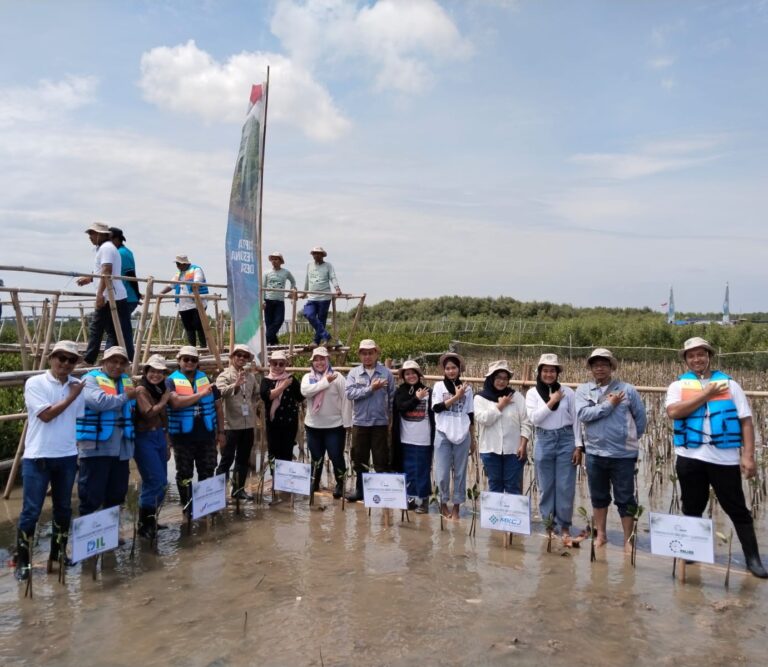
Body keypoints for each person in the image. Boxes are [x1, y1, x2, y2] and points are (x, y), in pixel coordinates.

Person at [666, 337, 767, 578]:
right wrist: (706, 394)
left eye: (701, 354)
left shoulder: (730, 385)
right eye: (691, 355)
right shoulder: (678, 386)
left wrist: (749, 456)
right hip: (689, 458)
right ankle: (691, 552)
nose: (696, 359)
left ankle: (753, 558)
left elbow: (746, 420)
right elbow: (674, 412)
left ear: (709, 356)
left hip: (724, 459)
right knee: (692, 506)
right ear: (685, 360)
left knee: (737, 509)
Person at [14, 341, 85, 581]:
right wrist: (72, 396)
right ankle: (23, 561)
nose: (65, 363)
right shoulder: (35, 383)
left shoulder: (77, 386)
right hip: (38, 456)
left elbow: (76, 418)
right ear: (51, 358)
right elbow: (46, 415)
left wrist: (76, 394)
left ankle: (58, 554)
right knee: (31, 511)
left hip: (66, 455)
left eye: (71, 360)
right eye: (61, 358)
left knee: (64, 509)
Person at [575, 348, 646, 552]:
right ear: (590, 368)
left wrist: (628, 438)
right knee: (598, 496)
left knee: (625, 498)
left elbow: (641, 420)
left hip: (623, 455)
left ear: (611, 367)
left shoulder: (627, 390)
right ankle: (602, 535)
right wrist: (609, 405)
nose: (600, 368)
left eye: (604, 364)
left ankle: (628, 541)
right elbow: (583, 415)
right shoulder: (583, 390)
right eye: (595, 365)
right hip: (595, 453)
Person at [525, 353, 581, 546]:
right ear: (539, 372)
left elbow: (576, 421)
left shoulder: (569, 393)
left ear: (558, 373)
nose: (549, 374)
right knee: (545, 486)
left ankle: (564, 526)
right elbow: (534, 419)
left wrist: (578, 446)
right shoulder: (532, 393)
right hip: (544, 439)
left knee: (565, 486)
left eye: (552, 371)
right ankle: (549, 525)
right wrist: (552, 401)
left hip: (566, 439)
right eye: (545, 370)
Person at [76, 346, 137, 516]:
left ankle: (111, 536)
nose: (117, 366)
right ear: (103, 362)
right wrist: (126, 397)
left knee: (117, 495)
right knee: (91, 497)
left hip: (121, 451)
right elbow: (99, 402)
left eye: (121, 363)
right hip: (95, 450)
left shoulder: (126, 381)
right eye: (113, 361)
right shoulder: (89, 380)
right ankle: (89, 538)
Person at [166, 346, 224, 515]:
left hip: (206, 435)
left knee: (207, 470)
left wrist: (221, 432)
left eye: (193, 359)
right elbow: (176, 403)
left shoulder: (205, 379)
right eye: (186, 359)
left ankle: (207, 506)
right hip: (182, 437)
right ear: (179, 361)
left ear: (197, 362)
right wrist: (200, 395)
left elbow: (218, 408)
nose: (190, 362)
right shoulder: (170, 381)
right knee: (184, 474)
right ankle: (188, 508)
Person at [344, 339, 396, 502]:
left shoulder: (386, 373)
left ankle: (382, 492)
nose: (367, 356)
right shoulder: (353, 373)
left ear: (376, 354)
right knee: (359, 458)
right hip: (360, 423)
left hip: (380, 423)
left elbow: (392, 399)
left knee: (381, 459)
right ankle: (360, 490)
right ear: (360, 355)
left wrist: (392, 422)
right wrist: (370, 389)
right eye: (364, 353)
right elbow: (350, 394)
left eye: (370, 353)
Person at [77, 222, 134, 364]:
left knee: (97, 327)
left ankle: (89, 359)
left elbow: (106, 271)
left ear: (101, 235)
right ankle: (118, 358)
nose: (90, 236)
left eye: (92, 233)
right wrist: (90, 279)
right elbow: (102, 271)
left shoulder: (107, 248)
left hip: (110, 295)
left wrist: (100, 295)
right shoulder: (105, 248)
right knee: (115, 331)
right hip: (115, 294)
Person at [475, 360, 531, 497]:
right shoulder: (480, 398)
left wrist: (523, 445)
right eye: (498, 377)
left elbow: (526, 422)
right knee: (495, 485)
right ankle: (496, 518)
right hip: (490, 449)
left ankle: (513, 518)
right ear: (491, 378)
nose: (502, 381)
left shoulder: (516, 397)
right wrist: (500, 406)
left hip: (514, 450)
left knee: (513, 486)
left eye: (505, 378)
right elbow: (483, 419)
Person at [301, 346, 350, 498]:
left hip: (335, 425)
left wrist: (347, 423)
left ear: (328, 360)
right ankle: (314, 483)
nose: (319, 362)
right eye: (316, 359)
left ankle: (340, 484)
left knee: (336, 456)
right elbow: (306, 392)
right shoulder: (307, 378)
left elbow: (346, 401)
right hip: (313, 425)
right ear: (312, 362)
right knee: (316, 457)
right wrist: (324, 382)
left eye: (322, 359)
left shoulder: (338, 377)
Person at [431, 352, 475, 520]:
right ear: (444, 370)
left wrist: (473, 438)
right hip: (442, 432)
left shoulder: (468, 388)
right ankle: (442, 503)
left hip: (463, 434)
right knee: (441, 473)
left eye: (454, 368)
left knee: (460, 473)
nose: (451, 371)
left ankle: (457, 506)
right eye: (448, 368)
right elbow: (436, 408)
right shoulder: (438, 387)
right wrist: (456, 397)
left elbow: (470, 414)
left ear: (459, 369)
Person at [133, 354, 172, 539]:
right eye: (152, 371)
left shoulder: (160, 388)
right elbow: (148, 413)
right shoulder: (142, 390)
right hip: (144, 437)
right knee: (153, 481)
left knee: (163, 482)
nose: (156, 375)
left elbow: (164, 418)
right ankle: (143, 525)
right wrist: (165, 400)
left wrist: (167, 442)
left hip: (159, 435)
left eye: (160, 372)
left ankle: (151, 521)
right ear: (146, 371)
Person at [215, 344, 259, 501]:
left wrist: (252, 405)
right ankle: (218, 493)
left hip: (248, 425)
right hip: (230, 425)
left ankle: (238, 489)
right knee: (226, 460)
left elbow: (256, 394)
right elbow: (219, 393)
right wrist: (235, 385)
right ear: (232, 357)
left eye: (244, 356)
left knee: (243, 459)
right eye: (238, 355)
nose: (241, 358)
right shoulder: (224, 375)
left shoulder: (251, 376)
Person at [392, 360, 434, 513]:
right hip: (405, 438)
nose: (411, 376)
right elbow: (401, 408)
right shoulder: (400, 392)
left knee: (422, 469)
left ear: (419, 375)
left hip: (423, 438)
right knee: (407, 469)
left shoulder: (428, 391)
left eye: (413, 373)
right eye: (407, 373)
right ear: (403, 376)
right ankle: (409, 498)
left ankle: (423, 500)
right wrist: (416, 398)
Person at [260, 350, 304, 484]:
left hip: (290, 423)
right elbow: (266, 396)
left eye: (281, 364)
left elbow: (300, 397)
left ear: (285, 364)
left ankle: (285, 481)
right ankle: (275, 480)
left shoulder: (292, 379)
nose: (278, 366)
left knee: (287, 451)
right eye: (275, 363)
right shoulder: (266, 380)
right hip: (273, 423)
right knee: (273, 452)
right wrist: (283, 386)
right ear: (270, 364)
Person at [160, 255, 209, 348]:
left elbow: (197, 282)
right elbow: (171, 285)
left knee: (198, 324)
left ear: (184, 264)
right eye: (177, 264)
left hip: (196, 303)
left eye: (178, 264)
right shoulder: (178, 274)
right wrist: (161, 294)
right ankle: (192, 347)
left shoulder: (196, 269)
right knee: (188, 327)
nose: (177, 266)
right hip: (183, 304)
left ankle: (203, 346)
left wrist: (194, 290)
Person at [301, 246, 341, 347]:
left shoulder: (328, 265)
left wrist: (337, 288)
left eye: (319, 253)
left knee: (321, 320)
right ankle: (327, 336)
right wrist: (305, 292)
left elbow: (333, 277)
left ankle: (316, 341)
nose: (316, 255)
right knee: (308, 314)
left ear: (323, 255)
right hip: (312, 297)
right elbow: (307, 279)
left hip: (324, 297)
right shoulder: (309, 265)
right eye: (314, 253)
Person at [263, 252, 296, 346]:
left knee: (279, 320)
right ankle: (273, 343)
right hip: (268, 300)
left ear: (281, 261)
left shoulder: (286, 272)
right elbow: (262, 287)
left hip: (279, 301)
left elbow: (293, 282)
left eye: (276, 259)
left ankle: (265, 340)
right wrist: (262, 301)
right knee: (269, 323)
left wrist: (291, 292)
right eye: (272, 259)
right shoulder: (267, 272)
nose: (274, 261)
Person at [110, 227, 142, 315]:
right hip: (124, 297)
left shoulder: (122, 253)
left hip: (127, 298)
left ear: (116, 239)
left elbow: (131, 275)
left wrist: (137, 294)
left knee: (119, 326)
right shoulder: (119, 252)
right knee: (117, 326)